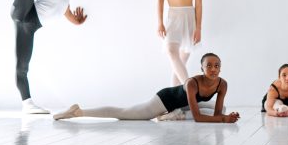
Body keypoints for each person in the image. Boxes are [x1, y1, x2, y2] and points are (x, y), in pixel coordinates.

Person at [11, 0, 87, 114]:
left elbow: (65, 12)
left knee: (22, 67)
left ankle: (27, 104)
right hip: (24, 12)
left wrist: (77, 21)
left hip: (30, 27)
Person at [53, 52, 240, 122]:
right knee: (124, 113)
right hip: (164, 100)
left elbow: (216, 113)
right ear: (201, 68)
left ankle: (175, 115)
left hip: (181, 105)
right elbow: (199, 118)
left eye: (217, 66)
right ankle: (79, 112)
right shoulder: (192, 83)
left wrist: (225, 116)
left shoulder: (222, 84)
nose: (213, 69)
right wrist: (224, 120)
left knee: (222, 108)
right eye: (209, 66)